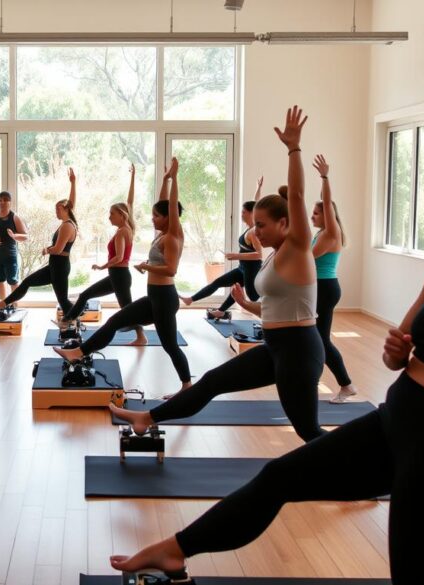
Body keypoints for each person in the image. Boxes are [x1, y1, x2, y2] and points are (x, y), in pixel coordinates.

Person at [108, 146, 424, 585]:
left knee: (412, 575)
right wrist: (396, 352)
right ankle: (177, 548)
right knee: (277, 477)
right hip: (391, 424)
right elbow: (401, 350)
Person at [109, 107, 324, 441]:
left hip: (299, 351)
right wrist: (245, 305)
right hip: (275, 347)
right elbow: (276, 310)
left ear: (285, 224)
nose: (255, 232)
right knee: (212, 382)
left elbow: (295, 195)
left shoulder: (297, 247)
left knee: (307, 430)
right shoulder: (273, 256)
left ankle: (371, 470)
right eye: (254, 225)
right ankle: (146, 419)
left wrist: (293, 149)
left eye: (262, 225)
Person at [55, 159, 192, 391]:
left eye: (157, 216)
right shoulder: (160, 234)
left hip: (165, 299)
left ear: (169, 218)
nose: (153, 218)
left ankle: (187, 385)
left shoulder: (173, 236)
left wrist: (175, 179)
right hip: (154, 298)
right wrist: (166, 179)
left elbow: (171, 270)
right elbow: (163, 203)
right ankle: (77, 353)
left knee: (170, 346)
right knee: (115, 321)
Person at [57, 164, 148, 345]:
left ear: (122, 215)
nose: (109, 217)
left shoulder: (123, 231)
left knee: (126, 310)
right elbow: (130, 203)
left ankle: (67, 321)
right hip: (117, 276)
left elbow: (120, 257)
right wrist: (132, 178)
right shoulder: (127, 227)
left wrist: (101, 266)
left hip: (120, 276)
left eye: (111, 213)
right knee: (86, 296)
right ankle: (68, 321)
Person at [0, 168, 78, 313]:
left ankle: (77, 317)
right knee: (28, 282)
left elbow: (58, 250)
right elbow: (72, 204)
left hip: (59, 267)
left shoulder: (67, 226)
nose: (55, 212)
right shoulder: (67, 222)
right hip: (55, 266)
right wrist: (73, 183)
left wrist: (47, 249)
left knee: (63, 301)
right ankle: (4, 303)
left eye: (57, 210)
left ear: (64, 209)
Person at [310, 154, 357, 403]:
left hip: (325, 288)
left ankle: (346, 385)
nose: (313, 216)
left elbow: (327, 203)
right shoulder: (320, 233)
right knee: (317, 337)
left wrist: (325, 177)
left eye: (316, 213)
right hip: (321, 287)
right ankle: (315, 379)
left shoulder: (331, 232)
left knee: (321, 340)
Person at [180, 175, 264, 315]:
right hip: (242, 268)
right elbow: (256, 203)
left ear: (251, 213)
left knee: (254, 296)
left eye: (244, 212)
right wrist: (258, 188)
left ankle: (269, 307)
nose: (241, 214)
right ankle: (194, 300)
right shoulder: (249, 228)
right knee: (218, 282)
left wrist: (235, 255)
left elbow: (259, 255)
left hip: (251, 270)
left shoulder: (253, 232)